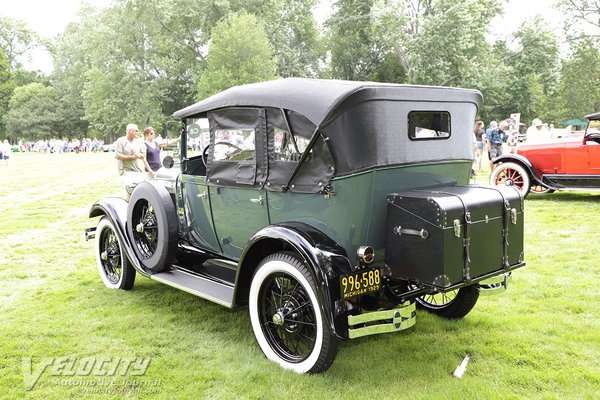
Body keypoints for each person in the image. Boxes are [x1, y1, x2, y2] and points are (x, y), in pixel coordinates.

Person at [115, 123, 152, 201]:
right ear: (130, 131)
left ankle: (128, 208)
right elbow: (118, 156)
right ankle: (129, 209)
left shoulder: (138, 142)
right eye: (136, 131)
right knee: (132, 192)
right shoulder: (121, 141)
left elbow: (142, 156)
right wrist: (132, 157)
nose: (138, 133)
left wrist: (138, 155)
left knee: (136, 193)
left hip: (137, 171)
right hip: (126, 171)